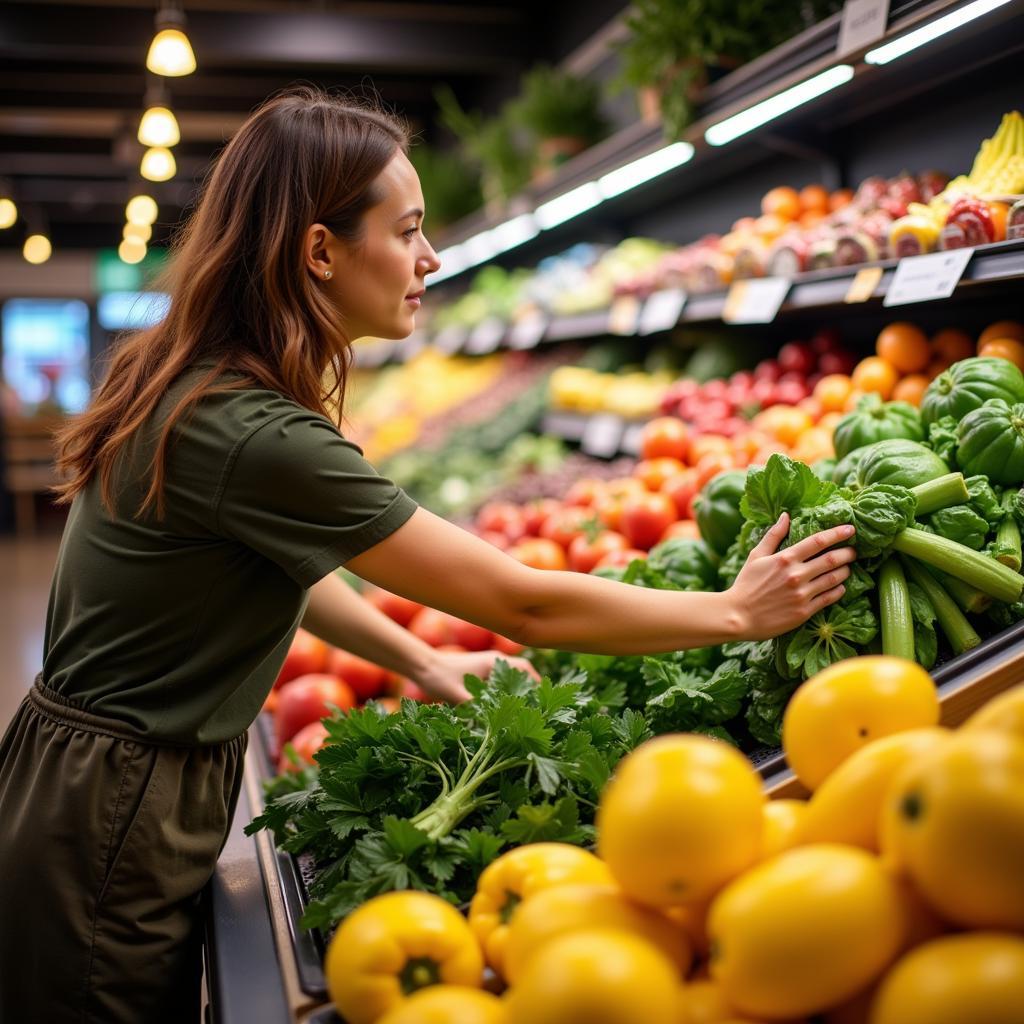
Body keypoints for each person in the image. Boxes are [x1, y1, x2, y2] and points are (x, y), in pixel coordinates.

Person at [0, 86, 855, 1023]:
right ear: (319, 251)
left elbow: (289, 567)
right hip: (114, 802)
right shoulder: (253, 430)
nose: (431, 258)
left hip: (96, 777)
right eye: (407, 231)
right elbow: (521, 604)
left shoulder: (200, 379)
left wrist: (419, 654)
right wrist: (734, 611)